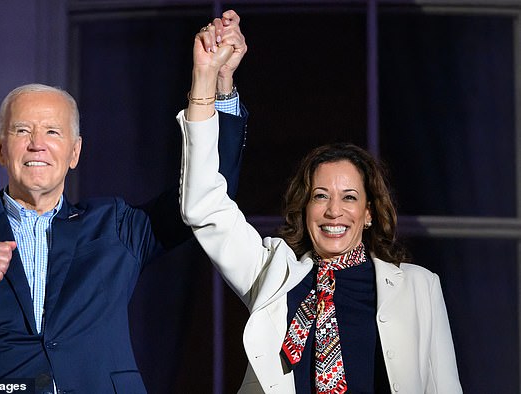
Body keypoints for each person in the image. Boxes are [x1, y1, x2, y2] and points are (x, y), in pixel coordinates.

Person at [0, 10, 247, 393]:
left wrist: (219, 85)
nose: (37, 143)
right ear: (0, 149)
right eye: (22, 131)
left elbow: (209, 194)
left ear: (74, 153)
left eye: (52, 131)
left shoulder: (115, 225)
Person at [177, 26, 461, 393]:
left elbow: (446, 387)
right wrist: (204, 79)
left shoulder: (419, 287)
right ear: (305, 207)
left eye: (349, 197)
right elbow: (204, 206)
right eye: (320, 196)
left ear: (369, 212)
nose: (334, 211)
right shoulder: (273, 273)